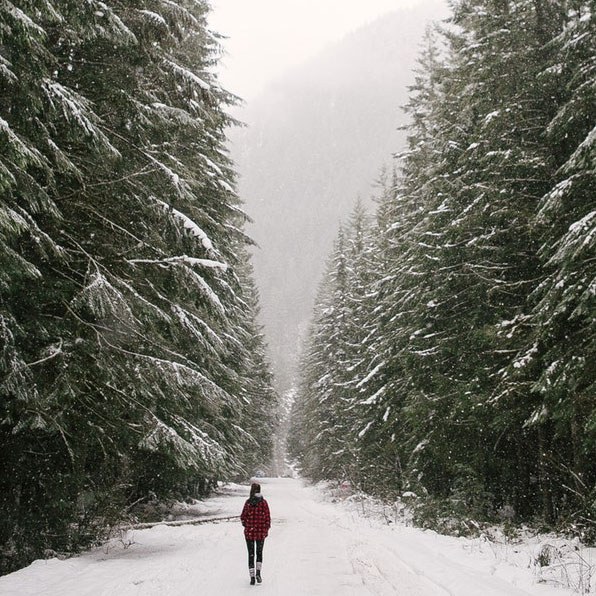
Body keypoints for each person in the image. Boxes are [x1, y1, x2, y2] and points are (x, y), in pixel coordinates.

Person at [240, 482, 271, 585]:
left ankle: (252, 576)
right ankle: (258, 572)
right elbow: (267, 517)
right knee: (259, 553)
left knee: (251, 554)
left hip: (249, 532)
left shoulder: (248, 502)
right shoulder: (264, 503)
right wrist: (265, 529)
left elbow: (243, 517)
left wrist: (247, 525)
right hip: (260, 532)